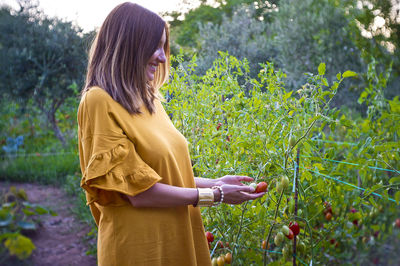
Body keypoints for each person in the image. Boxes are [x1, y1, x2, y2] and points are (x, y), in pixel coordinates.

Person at [77, 2, 265, 265]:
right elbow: (138, 192)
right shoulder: (98, 101)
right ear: (129, 47)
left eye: (163, 47)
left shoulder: (150, 101)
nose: (163, 57)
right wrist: (216, 195)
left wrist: (214, 182)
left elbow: (160, 175)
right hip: (141, 247)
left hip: (177, 234)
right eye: (154, 47)